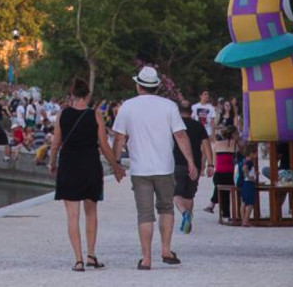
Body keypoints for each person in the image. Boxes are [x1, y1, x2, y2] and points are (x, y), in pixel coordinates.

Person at [111, 66, 196, 271]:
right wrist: (191, 161)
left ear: (138, 86)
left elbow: (119, 138)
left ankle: (146, 258)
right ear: (157, 86)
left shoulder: (128, 107)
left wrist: (116, 165)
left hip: (140, 169)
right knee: (166, 208)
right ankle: (166, 250)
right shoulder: (169, 106)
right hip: (165, 167)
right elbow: (181, 136)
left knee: (145, 214)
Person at [50, 78, 125, 272]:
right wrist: (116, 166)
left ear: (72, 96)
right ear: (87, 96)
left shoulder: (62, 115)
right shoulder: (95, 116)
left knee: (72, 215)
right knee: (91, 213)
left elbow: (56, 143)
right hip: (90, 165)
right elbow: (104, 146)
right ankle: (91, 255)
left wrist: (51, 163)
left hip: (68, 165)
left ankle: (78, 260)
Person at [173, 100, 212, 234]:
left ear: (178, 112)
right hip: (195, 164)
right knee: (189, 195)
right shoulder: (198, 126)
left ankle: (185, 214)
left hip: (177, 164)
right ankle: (188, 219)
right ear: (191, 112)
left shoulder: (174, 126)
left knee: (176, 194)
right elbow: (207, 145)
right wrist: (210, 164)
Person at [203, 125, 239, 217]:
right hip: (231, 175)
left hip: (218, 176)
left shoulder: (216, 144)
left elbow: (215, 162)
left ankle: (215, 207)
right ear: (234, 134)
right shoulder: (236, 144)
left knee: (221, 188)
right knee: (225, 190)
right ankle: (224, 213)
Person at [238, 144, 259, 226]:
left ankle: (243, 220)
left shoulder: (244, 160)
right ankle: (246, 221)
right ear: (251, 153)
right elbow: (245, 169)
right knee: (249, 204)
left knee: (243, 202)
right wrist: (249, 177)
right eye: (256, 153)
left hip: (243, 183)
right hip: (249, 184)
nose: (257, 155)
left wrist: (254, 173)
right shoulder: (249, 162)